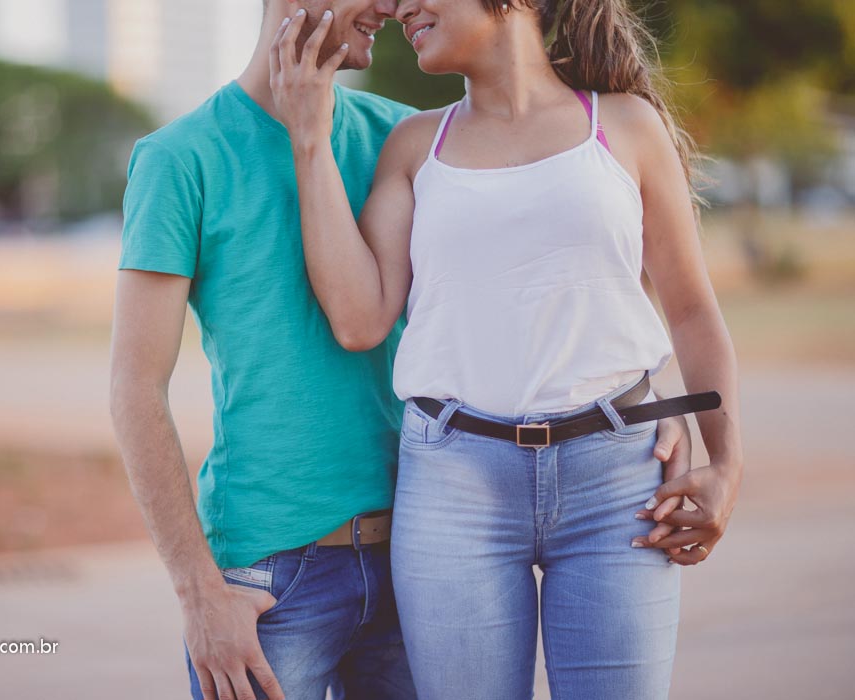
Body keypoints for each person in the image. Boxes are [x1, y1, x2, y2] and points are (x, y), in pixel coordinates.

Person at [111, 1, 691, 699]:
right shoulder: (180, 159)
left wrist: (640, 404)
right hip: (271, 575)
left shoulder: (409, 138)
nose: (390, 7)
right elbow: (136, 389)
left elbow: (568, 264)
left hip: (423, 556)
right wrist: (199, 593)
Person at [270, 0, 743, 698]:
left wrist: (727, 465)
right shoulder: (414, 148)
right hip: (454, 487)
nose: (399, 6)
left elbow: (694, 312)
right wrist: (309, 139)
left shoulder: (626, 126)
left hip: (619, 485)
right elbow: (358, 318)